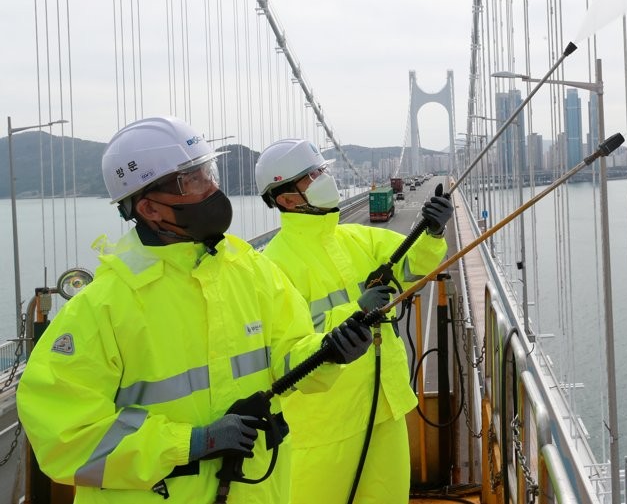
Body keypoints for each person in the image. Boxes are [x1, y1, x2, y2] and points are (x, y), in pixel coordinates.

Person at [16, 116, 374, 503]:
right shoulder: (103, 306)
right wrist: (191, 443)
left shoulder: (252, 271)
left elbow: (288, 353)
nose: (212, 189)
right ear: (150, 208)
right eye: (193, 180)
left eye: (209, 172)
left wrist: (327, 351)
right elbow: (64, 437)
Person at [254, 139, 454, 503]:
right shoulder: (271, 265)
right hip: (324, 431)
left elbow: (414, 266)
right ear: (286, 199)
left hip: (385, 410)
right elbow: (286, 347)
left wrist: (433, 231)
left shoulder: (357, 237)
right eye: (312, 175)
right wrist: (356, 311)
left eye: (322, 170)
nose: (324, 178)